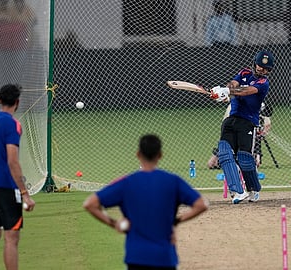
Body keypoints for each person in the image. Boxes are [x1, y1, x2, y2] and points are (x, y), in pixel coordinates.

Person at [83, 134, 208, 270]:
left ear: (138, 154)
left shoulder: (126, 183)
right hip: (164, 257)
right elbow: (202, 205)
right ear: (160, 155)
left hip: (136, 256)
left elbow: (90, 204)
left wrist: (115, 224)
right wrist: (176, 221)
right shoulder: (173, 181)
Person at [0, 84, 36, 270]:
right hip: (7, 187)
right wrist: (25, 193)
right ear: (17, 103)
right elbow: (12, 161)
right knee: (11, 239)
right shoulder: (13, 125)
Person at [210, 50, 274, 204]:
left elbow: (246, 91)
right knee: (224, 154)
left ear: (268, 71)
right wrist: (223, 91)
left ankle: (253, 190)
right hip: (231, 119)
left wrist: (229, 91)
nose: (261, 69)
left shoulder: (263, 83)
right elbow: (233, 83)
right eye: (259, 65)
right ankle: (237, 192)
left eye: (265, 68)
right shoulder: (244, 72)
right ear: (255, 63)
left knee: (245, 159)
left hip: (248, 122)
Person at [207, 102, 273, 169]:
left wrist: (262, 133)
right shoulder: (233, 107)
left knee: (254, 162)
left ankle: (247, 158)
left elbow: (267, 124)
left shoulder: (260, 105)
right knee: (212, 164)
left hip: (248, 132)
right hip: (233, 128)